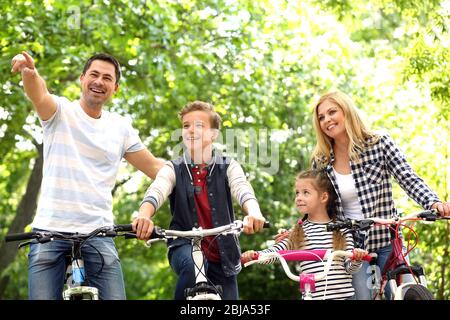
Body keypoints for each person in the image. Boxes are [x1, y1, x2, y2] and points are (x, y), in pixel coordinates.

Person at [11, 51, 165, 300]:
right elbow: (39, 94)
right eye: (93, 74)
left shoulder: (120, 128)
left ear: (115, 88)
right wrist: (30, 73)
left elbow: (156, 168)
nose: (99, 81)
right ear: (82, 79)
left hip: (99, 234)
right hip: (49, 233)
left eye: (107, 78)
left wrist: (197, 168)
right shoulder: (60, 112)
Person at [309, 90, 450, 299]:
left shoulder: (379, 143)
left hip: (387, 239)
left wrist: (434, 203)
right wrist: (299, 231)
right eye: (321, 117)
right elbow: (318, 207)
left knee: (408, 294)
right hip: (352, 248)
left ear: (346, 111)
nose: (327, 120)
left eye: (332, 112)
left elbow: (407, 178)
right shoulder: (320, 161)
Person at [133, 101, 266, 300]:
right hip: (184, 247)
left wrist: (254, 213)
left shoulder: (228, 166)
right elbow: (157, 190)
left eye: (199, 125)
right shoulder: (173, 168)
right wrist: (143, 216)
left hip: (224, 255)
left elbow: (243, 189)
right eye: (186, 126)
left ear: (214, 134)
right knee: (194, 265)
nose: (190, 130)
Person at [241, 169, 368, 300]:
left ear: (323, 197)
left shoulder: (341, 230)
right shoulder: (297, 232)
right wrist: (256, 255)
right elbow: (275, 253)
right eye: (297, 193)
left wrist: (356, 258)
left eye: (305, 193)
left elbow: (350, 268)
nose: (299, 197)